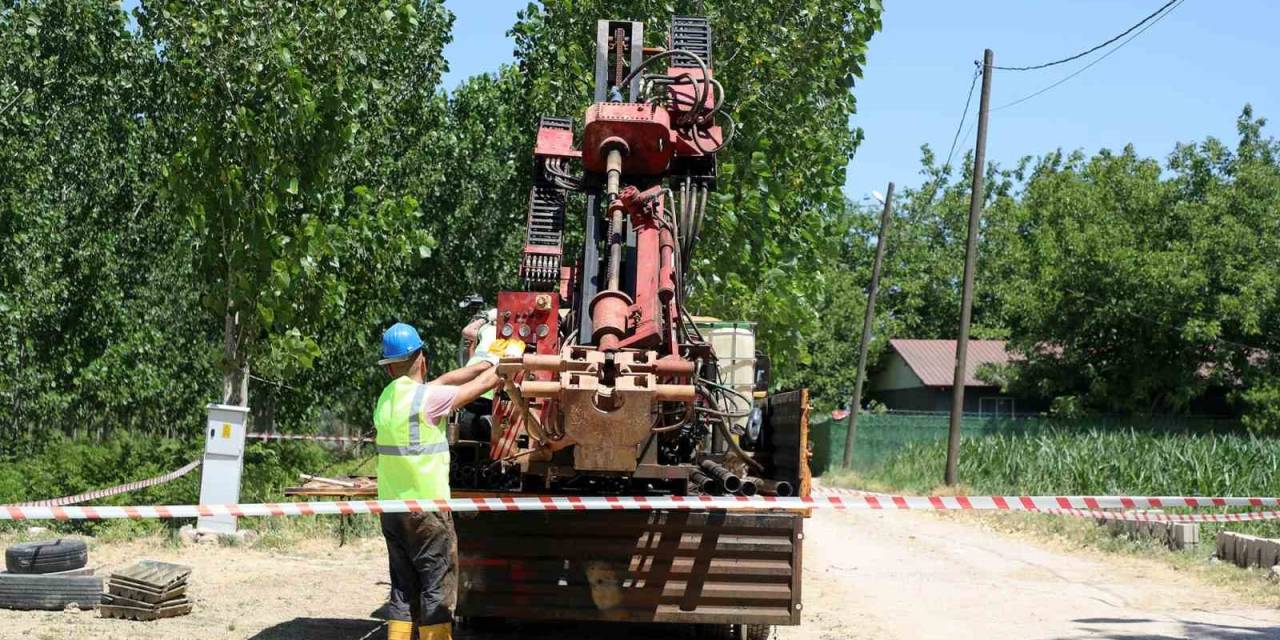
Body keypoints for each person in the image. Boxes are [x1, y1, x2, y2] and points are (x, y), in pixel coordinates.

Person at [373, 321, 506, 640]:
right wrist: (504, 364)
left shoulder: (388, 399)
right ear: (422, 359)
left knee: (403, 591)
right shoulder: (427, 400)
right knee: (436, 589)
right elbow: (470, 391)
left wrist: (484, 362)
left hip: (392, 510)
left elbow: (446, 381)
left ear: (389, 367)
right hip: (427, 511)